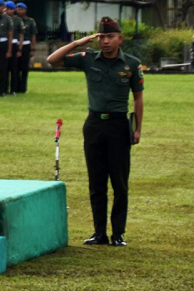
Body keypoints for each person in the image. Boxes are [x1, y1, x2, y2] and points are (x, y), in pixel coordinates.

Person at [47, 17, 143, 247]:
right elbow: (52, 60)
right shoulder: (87, 58)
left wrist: (138, 129)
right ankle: (99, 233)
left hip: (119, 125)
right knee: (96, 182)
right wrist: (77, 43)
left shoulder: (131, 64)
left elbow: (138, 98)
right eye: (101, 36)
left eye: (110, 36)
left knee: (120, 183)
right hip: (94, 126)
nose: (105, 41)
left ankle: (118, 233)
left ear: (120, 38)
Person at [15, 2, 37, 93]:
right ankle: (15, 87)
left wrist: (33, 48)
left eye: (22, 9)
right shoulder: (14, 20)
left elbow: (33, 36)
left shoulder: (30, 21)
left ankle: (23, 88)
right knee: (15, 67)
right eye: (18, 9)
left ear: (26, 10)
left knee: (24, 68)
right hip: (16, 45)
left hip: (26, 45)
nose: (20, 11)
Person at [6, 1, 24, 95]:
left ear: (13, 10)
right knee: (3, 68)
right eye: (7, 9)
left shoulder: (18, 20)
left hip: (14, 45)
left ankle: (13, 89)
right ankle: (3, 89)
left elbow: (21, 36)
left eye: (10, 9)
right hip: (3, 44)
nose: (8, 11)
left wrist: (20, 49)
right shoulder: (2, 18)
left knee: (14, 68)